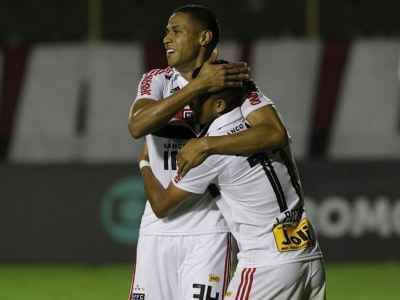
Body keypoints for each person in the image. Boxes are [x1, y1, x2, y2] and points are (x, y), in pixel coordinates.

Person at [128, 4, 286, 300]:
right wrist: (198, 86)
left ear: (203, 38)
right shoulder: (157, 80)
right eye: (165, 32)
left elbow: (274, 132)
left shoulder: (233, 83)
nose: (166, 39)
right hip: (157, 229)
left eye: (176, 31)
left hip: (211, 231)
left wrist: (208, 144)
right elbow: (137, 125)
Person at [137, 69, 326, 300]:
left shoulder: (207, 152)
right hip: (310, 259)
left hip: (265, 267)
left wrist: (145, 162)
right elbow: (277, 133)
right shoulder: (266, 127)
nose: (190, 105)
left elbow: (161, 204)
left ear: (218, 106)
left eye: (198, 98)